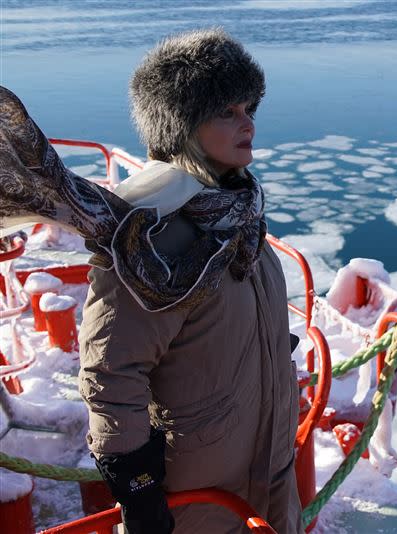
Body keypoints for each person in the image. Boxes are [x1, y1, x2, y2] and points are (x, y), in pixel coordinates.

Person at [74, 29, 301, 533]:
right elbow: (112, 371)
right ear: (184, 127)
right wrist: (138, 489)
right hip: (197, 497)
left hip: (271, 476)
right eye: (228, 111)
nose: (249, 125)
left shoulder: (239, 216)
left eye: (249, 109)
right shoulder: (152, 238)